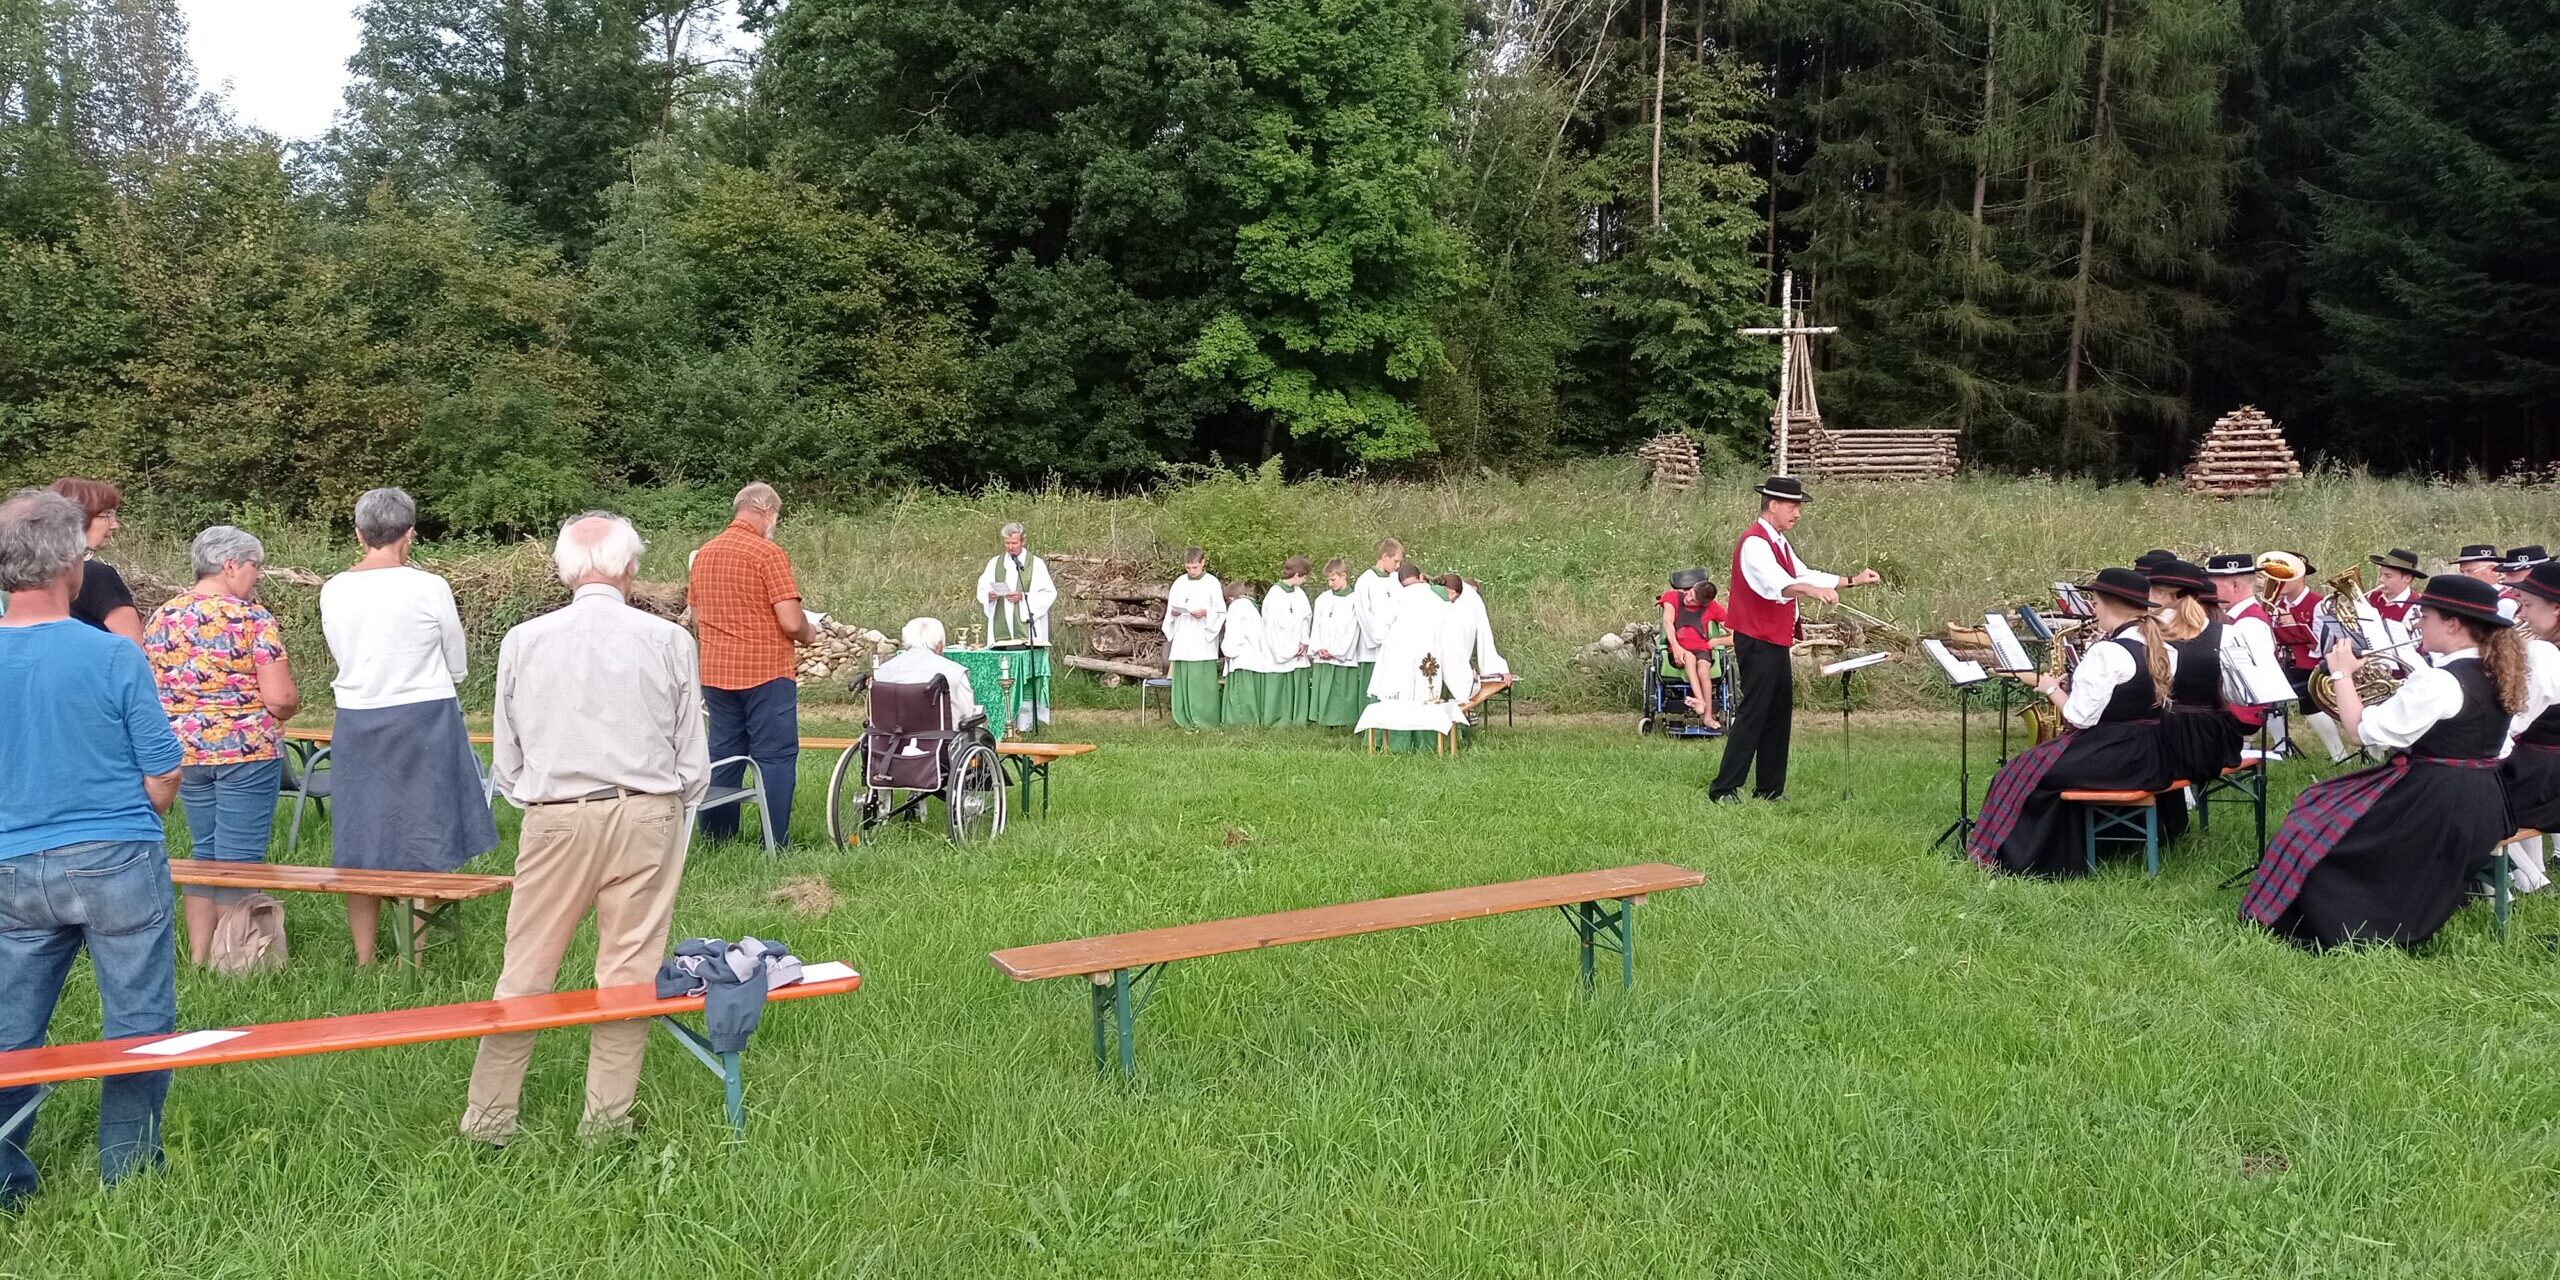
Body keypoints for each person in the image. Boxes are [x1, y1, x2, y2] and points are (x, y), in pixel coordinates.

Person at [464, 513, 709, 1145]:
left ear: (564, 569)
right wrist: (670, 801)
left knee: (524, 968)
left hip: (556, 817)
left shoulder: (523, 639)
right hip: (647, 810)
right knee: (629, 972)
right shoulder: (667, 639)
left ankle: (489, 1120)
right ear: (630, 567)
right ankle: (606, 1122)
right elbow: (692, 753)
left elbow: (508, 757)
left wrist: (542, 801)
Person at [0, 489, 183, 1208]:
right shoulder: (112, 655)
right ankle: (129, 1174)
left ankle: (7, 1177)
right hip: (116, 856)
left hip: (12, 863)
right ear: (70, 566)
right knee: (137, 1019)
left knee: (11, 1027)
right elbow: (163, 773)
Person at [2240, 574, 2524, 950]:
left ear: (2453, 624)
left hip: (2436, 801)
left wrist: (2341, 673)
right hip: (2485, 798)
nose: (2419, 622)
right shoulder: (2496, 671)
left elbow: (2359, 732)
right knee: (2323, 803)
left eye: (2426, 616)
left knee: (2318, 824)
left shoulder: (2440, 682)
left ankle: (2334, 922)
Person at [318, 487, 498, 966]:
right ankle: (411, 956)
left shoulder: (334, 587)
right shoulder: (428, 586)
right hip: (424, 713)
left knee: (360, 834)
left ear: (359, 535)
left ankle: (363, 957)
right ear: (410, 534)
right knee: (423, 831)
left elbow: (340, 649)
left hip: (357, 715)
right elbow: (456, 660)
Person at [144, 525, 302, 965]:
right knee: (239, 860)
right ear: (231, 565)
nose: (257, 577)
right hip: (245, 753)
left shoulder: (162, 617)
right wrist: (287, 708)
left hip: (184, 752)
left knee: (204, 853)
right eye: (255, 567)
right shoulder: (252, 618)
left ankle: (197, 956)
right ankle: (235, 960)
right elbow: (280, 698)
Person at [1966, 568, 2178, 877]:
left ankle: (2016, 858)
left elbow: (2079, 717)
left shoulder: (2107, 652)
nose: (2093, 608)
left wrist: (2050, 687)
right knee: (2036, 767)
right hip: (2150, 753)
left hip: (2113, 754)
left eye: (2095, 600)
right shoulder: (2164, 647)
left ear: (2108, 603)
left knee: (2017, 771)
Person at [1711, 477, 1881, 802]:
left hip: (1773, 640)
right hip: (1756, 639)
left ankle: (1770, 789)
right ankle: (1724, 788)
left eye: (1799, 507)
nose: (1798, 513)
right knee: (1755, 711)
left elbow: (1802, 574)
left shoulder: (1778, 542)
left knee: (1778, 712)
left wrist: (1852, 580)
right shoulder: (1755, 543)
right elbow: (1780, 584)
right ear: (1773, 505)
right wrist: (1812, 591)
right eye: (1793, 506)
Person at [688, 483, 818, 846]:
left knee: (723, 754)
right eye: (776, 516)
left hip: (716, 672)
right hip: (765, 671)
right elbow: (791, 621)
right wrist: (811, 633)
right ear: (767, 511)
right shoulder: (767, 553)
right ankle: (775, 840)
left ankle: (718, 838)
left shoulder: (704, 555)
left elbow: (697, 616)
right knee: (775, 757)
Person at [2145, 559, 2229, 842]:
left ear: (2167, 595)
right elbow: (2234, 694)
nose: (2146, 597)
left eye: (2152, 591)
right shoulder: (2224, 633)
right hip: (2213, 740)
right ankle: (2172, 824)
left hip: (2168, 740)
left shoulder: (2148, 633)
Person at [1354, 564, 1470, 751]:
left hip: (1398, 653)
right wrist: (1462, 685)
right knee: (1426, 694)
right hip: (1428, 651)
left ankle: (1391, 743)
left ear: (1400, 582)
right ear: (1420, 576)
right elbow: (1451, 639)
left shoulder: (1395, 597)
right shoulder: (1438, 599)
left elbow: (1378, 633)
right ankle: (1428, 744)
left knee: (1397, 696)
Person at [2498, 562, 2560, 893]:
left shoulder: (2544, 653)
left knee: (2465, 788)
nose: (2521, 614)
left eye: (2528, 605)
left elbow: (2516, 722)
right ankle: (2531, 871)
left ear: (2556, 608)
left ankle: (2531, 880)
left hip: (2544, 778)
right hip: (2545, 771)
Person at [2263, 552, 2347, 761]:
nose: (2279, 583)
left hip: (2312, 664)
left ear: (2300, 577)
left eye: (2285, 576)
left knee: (2309, 701)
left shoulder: (2318, 603)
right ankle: (2283, 748)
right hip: (2285, 661)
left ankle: (2338, 752)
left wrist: (2294, 626)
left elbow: (2325, 643)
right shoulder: (2277, 604)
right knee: (2266, 698)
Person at [975, 522, 1056, 732]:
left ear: (1023, 541)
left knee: (1027, 674)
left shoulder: (1035, 564)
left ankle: (1029, 723)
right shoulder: (994, 564)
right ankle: (1002, 719)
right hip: (1001, 629)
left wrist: (1023, 597)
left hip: (1026, 629)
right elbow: (982, 588)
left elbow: (1049, 593)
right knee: (1003, 672)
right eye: (1007, 543)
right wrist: (989, 596)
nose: (1010, 547)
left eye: (1014, 543)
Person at [48, 478, 141, 646]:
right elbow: (133, 646)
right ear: (80, 518)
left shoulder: (35, 573)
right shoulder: (99, 576)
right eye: (107, 515)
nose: (114, 526)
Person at [874, 616, 985, 725]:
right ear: (939, 646)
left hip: (892, 740)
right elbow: (966, 713)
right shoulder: (955, 672)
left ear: (906, 644)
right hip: (942, 740)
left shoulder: (884, 670)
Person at [1657, 569, 1730, 729]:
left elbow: (1736, 635)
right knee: (1689, 658)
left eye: (1693, 600)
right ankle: (1700, 701)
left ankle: (1707, 717)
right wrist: (1675, 648)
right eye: (1690, 593)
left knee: (1704, 669)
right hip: (1678, 647)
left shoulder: (1712, 608)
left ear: (1704, 604)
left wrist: (1717, 641)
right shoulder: (1672, 597)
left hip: (1701, 648)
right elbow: (1668, 623)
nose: (1688, 598)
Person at [1162, 547, 1224, 729]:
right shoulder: (1179, 583)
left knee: (1201, 682)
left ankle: (1205, 718)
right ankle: (1184, 717)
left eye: (1195, 567)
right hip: (1183, 636)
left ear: (1203, 562)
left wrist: (1206, 613)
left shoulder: (1212, 582)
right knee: (1184, 680)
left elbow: (1220, 611)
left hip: (1202, 638)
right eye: (1188, 567)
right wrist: (1174, 613)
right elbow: (1170, 609)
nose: (1192, 571)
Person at [1307, 557, 1364, 727]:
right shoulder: (1322, 599)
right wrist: (1318, 648)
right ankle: (1322, 718)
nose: (1330, 584)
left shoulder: (1354, 600)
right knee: (1324, 686)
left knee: (1341, 688)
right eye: (1328, 580)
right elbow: (1316, 625)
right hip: (1323, 652)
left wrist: (1336, 651)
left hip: (1341, 653)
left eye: (1333, 579)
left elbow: (1352, 629)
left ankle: (1342, 720)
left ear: (1343, 576)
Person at [1219, 579, 1281, 727]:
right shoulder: (1253, 608)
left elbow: (1234, 634)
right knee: (1253, 695)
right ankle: (1254, 722)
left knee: (1241, 696)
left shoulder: (1236, 608)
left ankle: (1239, 723)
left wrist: (1227, 650)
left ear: (1231, 598)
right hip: (1256, 659)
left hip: (1242, 659)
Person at [1263, 557, 1314, 726]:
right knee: (1280, 682)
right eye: (1304, 576)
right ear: (1297, 574)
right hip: (1280, 647)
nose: (1305, 580)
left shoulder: (1300, 594)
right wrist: (1287, 650)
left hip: (1298, 648)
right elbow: (1273, 627)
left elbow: (1306, 619)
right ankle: (1277, 719)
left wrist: (1303, 642)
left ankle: (1297, 719)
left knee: (1297, 681)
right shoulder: (1274, 594)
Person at [1351, 539, 1404, 695]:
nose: (1398, 566)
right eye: (1396, 561)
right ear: (1385, 556)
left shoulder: (1396, 580)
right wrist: (1380, 636)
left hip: (1393, 641)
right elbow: (1364, 613)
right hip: (1374, 643)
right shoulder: (1365, 580)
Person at [2451, 544, 2514, 619]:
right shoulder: (2467, 599)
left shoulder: (2505, 602)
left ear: (2492, 569)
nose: (2465, 576)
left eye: (2469, 571)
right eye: (2462, 572)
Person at [2367, 549, 2421, 623]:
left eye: (2388, 576)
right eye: (2381, 574)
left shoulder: (2416, 607)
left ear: (2407, 578)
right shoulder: (2373, 597)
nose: (2381, 579)